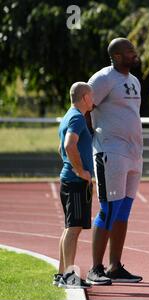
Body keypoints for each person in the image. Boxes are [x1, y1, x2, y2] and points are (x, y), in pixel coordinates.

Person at [85, 38, 143, 285]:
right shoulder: (102, 79)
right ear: (117, 56)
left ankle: (115, 266)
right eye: (130, 51)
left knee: (123, 211)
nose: (134, 53)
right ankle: (95, 268)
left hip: (133, 154)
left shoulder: (133, 80)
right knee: (108, 209)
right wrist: (96, 140)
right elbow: (83, 109)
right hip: (110, 152)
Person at [55, 82, 94, 289]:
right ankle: (69, 276)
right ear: (85, 97)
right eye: (92, 96)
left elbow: (60, 148)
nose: (94, 99)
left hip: (69, 179)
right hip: (75, 182)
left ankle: (62, 274)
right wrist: (80, 171)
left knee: (70, 228)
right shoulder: (78, 118)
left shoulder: (68, 116)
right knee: (73, 229)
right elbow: (69, 145)